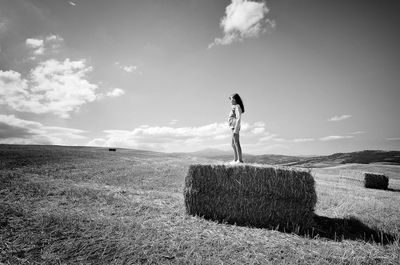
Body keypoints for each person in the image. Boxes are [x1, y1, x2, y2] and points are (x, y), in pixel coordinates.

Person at [228, 93, 244, 164]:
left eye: (231, 99)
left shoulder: (237, 106)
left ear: (234, 100)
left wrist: (236, 129)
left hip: (235, 127)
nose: (230, 101)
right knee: (233, 144)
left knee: (236, 143)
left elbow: (238, 118)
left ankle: (240, 160)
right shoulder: (234, 107)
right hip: (233, 127)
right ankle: (235, 159)